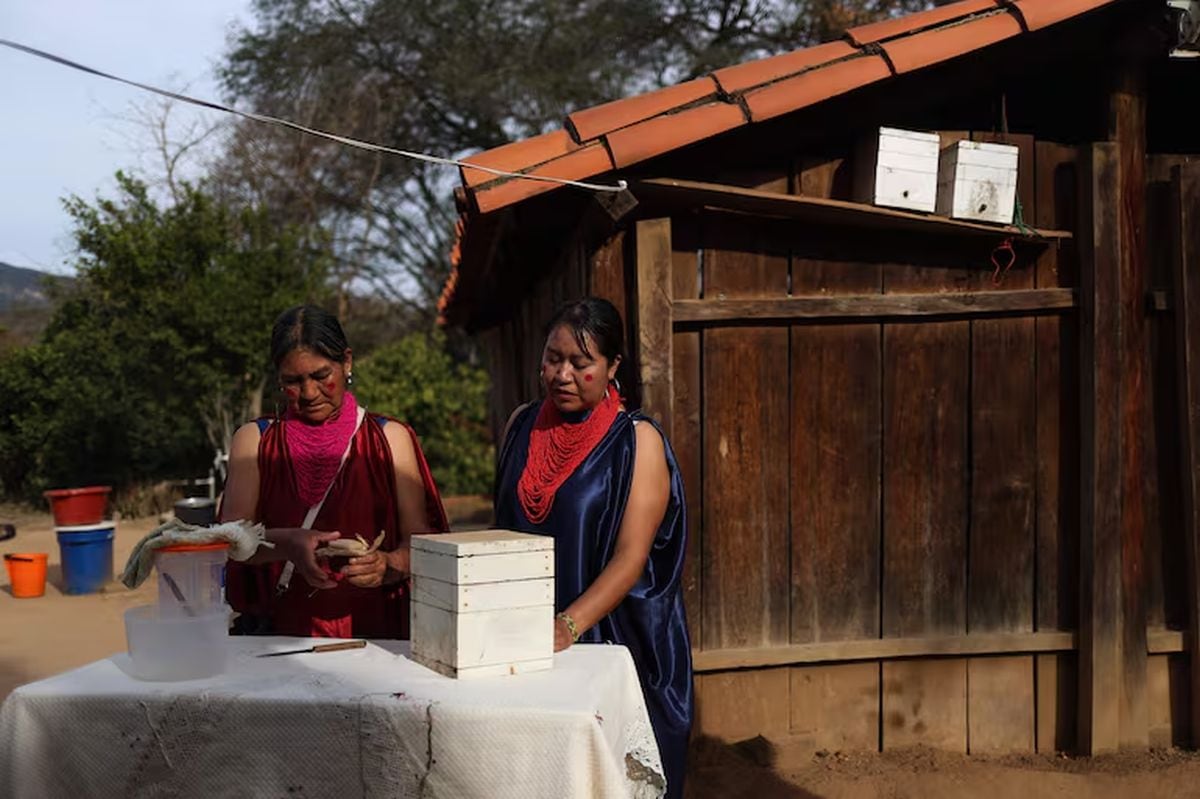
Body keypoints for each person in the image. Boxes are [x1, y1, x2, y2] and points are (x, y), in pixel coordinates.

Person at [493, 297, 694, 798]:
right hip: (526, 640)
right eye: (553, 358)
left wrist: (566, 626)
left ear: (612, 368)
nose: (562, 374)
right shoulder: (520, 425)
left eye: (580, 364)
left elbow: (631, 558)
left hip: (615, 642)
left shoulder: (636, 440)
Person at [220, 304, 448, 638]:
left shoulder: (390, 439)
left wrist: (388, 565)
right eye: (293, 381)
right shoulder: (254, 441)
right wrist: (288, 544)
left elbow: (423, 543)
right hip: (281, 640)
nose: (309, 393)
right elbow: (229, 539)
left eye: (321, 375)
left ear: (347, 362)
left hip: (379, 637)